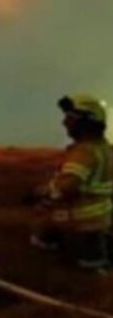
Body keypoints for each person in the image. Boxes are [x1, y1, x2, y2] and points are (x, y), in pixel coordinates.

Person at [31, 94, 112, 273]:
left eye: (70, 118)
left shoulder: (84, 153)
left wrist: (42, 194)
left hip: (78, 228)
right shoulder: (105, 150)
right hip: (99, 225)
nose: (64, 123)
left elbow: (68, 186)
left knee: (72, 274)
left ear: (84, 122)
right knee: (96, 271)